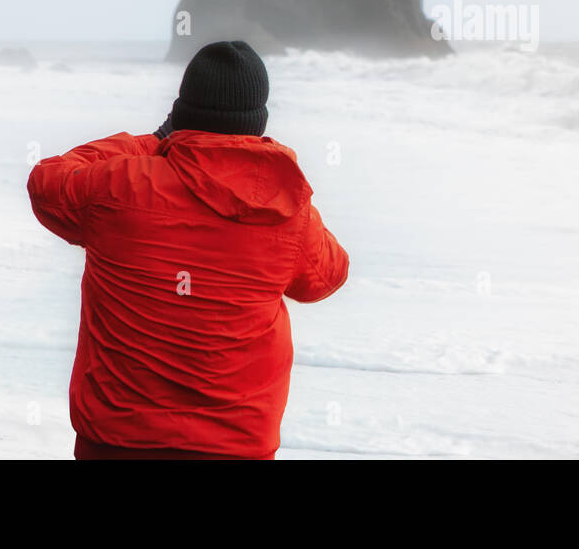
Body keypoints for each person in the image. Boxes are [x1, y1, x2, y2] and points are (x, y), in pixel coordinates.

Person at [27, 40, 348, 459]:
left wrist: (152, 142)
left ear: (181, 113)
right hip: (236, 445)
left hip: (116, 440)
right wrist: (272, 176)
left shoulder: (118, 186)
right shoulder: (286, 207)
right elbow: (327, 277)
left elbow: (48, 180)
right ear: (257, 122)